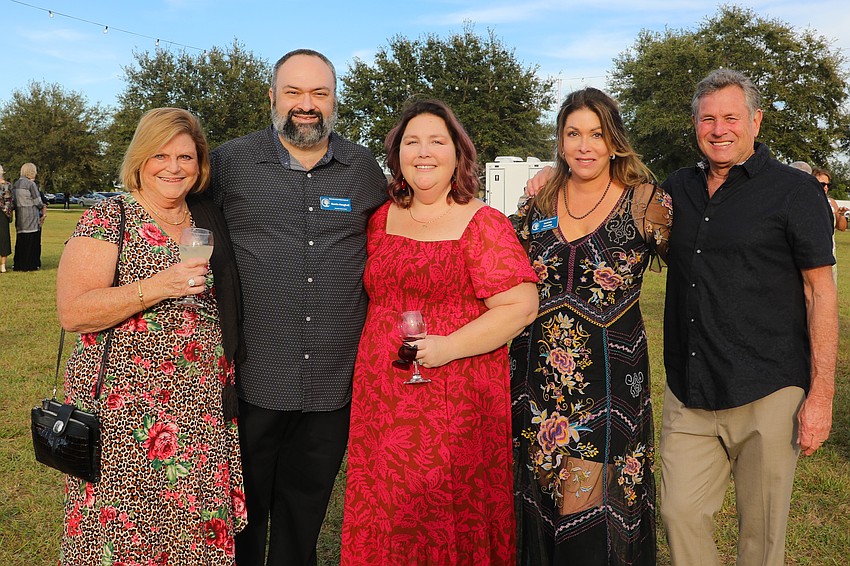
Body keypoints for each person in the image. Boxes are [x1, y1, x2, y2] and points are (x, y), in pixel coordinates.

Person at [208, 48, 388, 566]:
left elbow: (412, 216)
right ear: (272, 96)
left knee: (304, 516)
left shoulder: (361, 168)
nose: (306, 104)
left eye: (318, 93)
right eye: (294, 92)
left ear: (334, 100)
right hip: (254, 375)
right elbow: (174, 210)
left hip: (332, 381)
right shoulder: (229, 163)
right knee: (242, 514)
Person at [340, 99, 539, 564]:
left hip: (454, 398)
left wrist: (449, 346)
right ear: (397, 155)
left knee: (442, 512)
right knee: (386, 510)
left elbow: (521, 306)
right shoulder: (380, 219)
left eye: (437, 141)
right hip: (383, 397)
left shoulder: (482, 222)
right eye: (412, 142)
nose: (423, 152)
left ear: (458, 153)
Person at [660, 69, 836, 566]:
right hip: (690, 389)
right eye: (708, 119)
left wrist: (821, 396)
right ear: (695, 124)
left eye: (732, 118)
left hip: (768, 391)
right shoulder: (676, 188)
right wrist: (553, 175)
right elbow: (613, 199)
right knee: (678, 513)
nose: (719, 129)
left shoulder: (794, 191)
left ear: (756, 121)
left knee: (760, 540)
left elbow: (820, 293)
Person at [55, 107, 247, 564]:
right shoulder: (111, 215)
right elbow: (74, 311)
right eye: (161, 155)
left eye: (186, 157)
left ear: (200, 164)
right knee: (126, 528)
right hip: (126, 409)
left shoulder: (205, 219)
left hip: (199, 405)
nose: (174, 167)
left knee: (191, 524)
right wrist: (158, 286)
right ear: (140, 158)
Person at [509, 87, 672, 565]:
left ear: (614, 140)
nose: (585, 146)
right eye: (573, 134)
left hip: (609, 384)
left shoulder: (645, 202)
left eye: (597, 134)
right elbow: (499, 265)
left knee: (586, 513)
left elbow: (700, 269)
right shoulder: (539, 202)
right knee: (541, 504)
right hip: (535, 381)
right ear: (560, 142)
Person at [812, 166, 846, 284]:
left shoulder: (831, 203)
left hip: (830, 254)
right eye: (822, 184)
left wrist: (840, 215)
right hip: (812, 254)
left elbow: (842, 227)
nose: (826, 187)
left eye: (828, 185)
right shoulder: (806, 201)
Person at [11, 162, 44, 271]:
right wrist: (42, 208)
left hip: (20, 216)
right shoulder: (31, 185)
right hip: (31, 216)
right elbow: (38, 201)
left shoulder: (16, 184)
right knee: (32, 241)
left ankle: (19, 264)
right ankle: (31, 264)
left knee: (21, 241)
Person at [0, 165, 12, 273]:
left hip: (3, 214)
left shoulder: (7, 185)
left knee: (4, 239)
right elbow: (8, 202)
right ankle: (2, 265)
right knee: (4, 239)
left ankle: (3, 265)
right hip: (3, 214)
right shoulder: (7, 185)